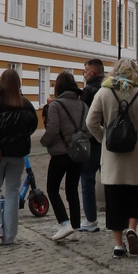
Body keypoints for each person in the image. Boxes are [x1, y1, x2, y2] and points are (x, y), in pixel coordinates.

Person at [86, 58, 138, 258]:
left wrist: (104, 138)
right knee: (136, 195)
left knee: (114, 199)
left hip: (113, 156)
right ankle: (132, 228)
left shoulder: (104, 91)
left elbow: (91, 121)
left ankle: (118, 245)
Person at [0, 69, 38, 245]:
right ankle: (10, 235)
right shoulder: (25, 104)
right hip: (18, 154)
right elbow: (32, 126)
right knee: (12, 193)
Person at [41, 72, 89, 242]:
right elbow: (88, 129)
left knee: (52, 189)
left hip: (60, 153)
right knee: (72, 190)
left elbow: (52, 129)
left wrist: (44, 141)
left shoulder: (56, 105)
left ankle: (64, 223)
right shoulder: (83, 105)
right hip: (78, 154)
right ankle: (75, 228)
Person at [79, 58, 105, 232]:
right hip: (109, 141)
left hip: (92, 140)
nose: (84, 73)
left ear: (93, 72)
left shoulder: (88, 92)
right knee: (111, 180)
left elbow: (83, 117)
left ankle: (91, 220)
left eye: (85, 71)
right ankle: (117, 218)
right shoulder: (108, 89)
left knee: (87, 180)